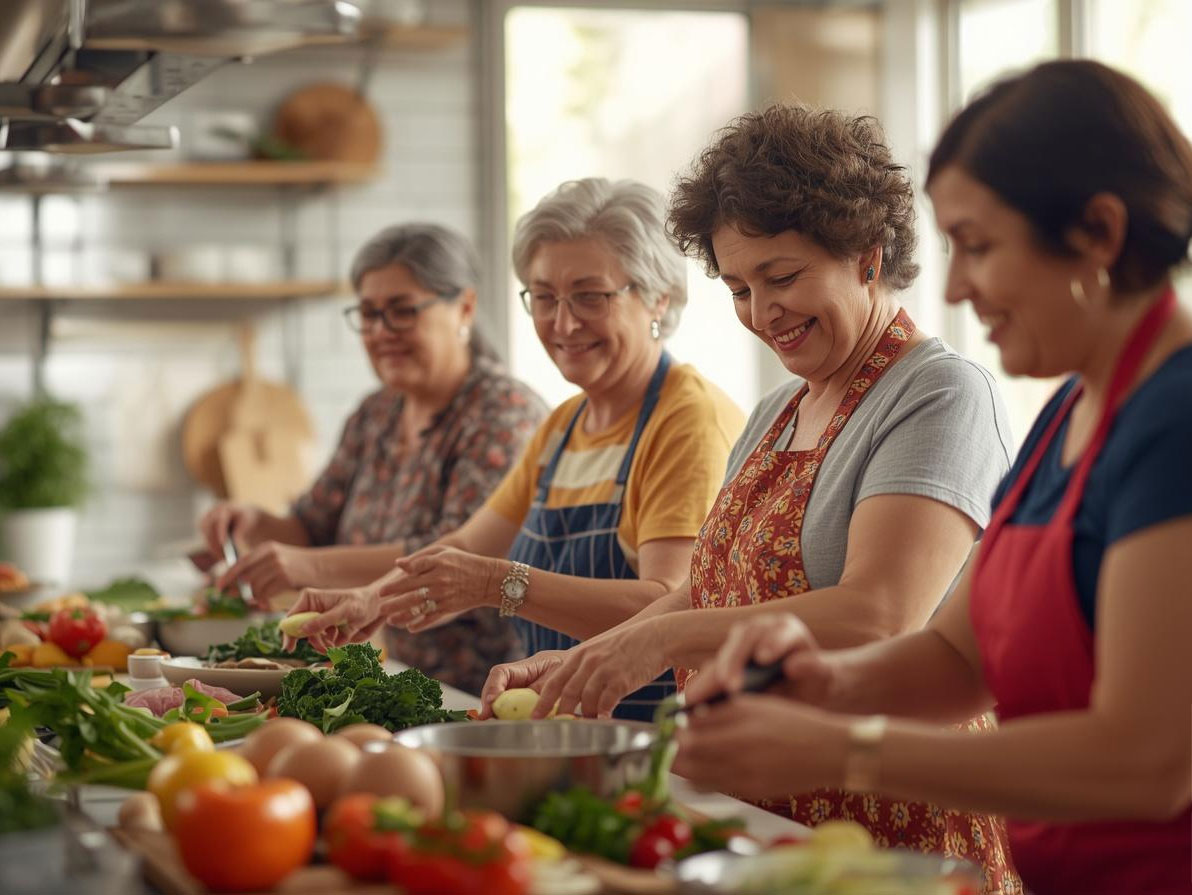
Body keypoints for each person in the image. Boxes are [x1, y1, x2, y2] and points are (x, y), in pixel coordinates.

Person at [674, 61, 1192, 895]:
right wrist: (824, 680)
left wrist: (846, 748)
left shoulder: (1175, 423)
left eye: (978, 246)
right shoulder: (1071, 411)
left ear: (1098, 231)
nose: (954, 287)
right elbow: (957, 656)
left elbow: (1148, 761)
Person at [481, 106, 1020, 891]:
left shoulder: (938, 393)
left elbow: (879, 614)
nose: (763, 314)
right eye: (739, 287)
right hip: (766, 814)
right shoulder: (776, 410)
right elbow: (711, 587)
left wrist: (660, 643)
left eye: (783, 277)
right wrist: (586, 661)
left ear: (867, 256)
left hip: (892, 825)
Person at [285, 178, 745, 715]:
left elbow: (667, 602)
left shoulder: (687, 418)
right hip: (564, 725)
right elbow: (467, 544)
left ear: (657, 298)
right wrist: (369, 600)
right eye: (544, 298)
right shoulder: (565, 425)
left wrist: (498, 583)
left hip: (654, 732)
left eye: (590, 296)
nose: (562, 323)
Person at [198, 223, 548, 693]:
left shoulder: (504, 412)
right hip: (393, 680)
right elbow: (312, 526)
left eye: (402, 312)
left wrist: (307, 566)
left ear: (464, 307)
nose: (381, 332)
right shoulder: (376, 413)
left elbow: (456, 552)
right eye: (368, 314)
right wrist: (253, 523)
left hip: (484, 692)